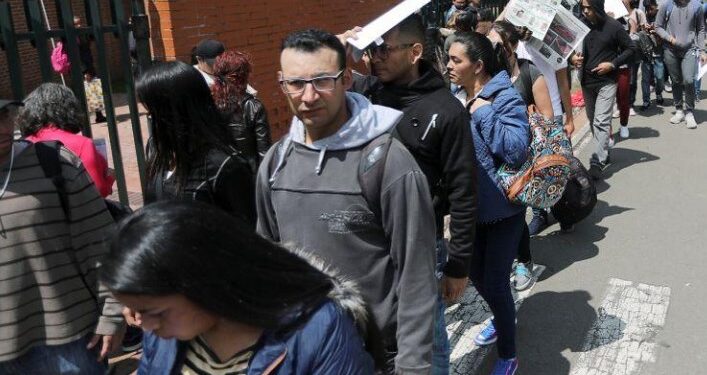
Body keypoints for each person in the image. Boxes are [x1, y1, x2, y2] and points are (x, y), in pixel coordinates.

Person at [256, 29, 437, 374]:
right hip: (300, 352)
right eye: (296, 83)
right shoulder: (276, 162)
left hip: (373, 356)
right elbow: (265, 263)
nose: (308, 96)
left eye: (322, 81)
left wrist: (413, 367)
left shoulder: (386, 162)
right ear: (281, 83)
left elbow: (416, 274)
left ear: (347, 79)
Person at [344, 14, 479, 374]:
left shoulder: (447, 110)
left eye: (384, 49)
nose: (374, 57)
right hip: (367, 244)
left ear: (415, 51)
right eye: (370, 49)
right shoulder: (365, 96)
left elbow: (464, 191)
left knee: (427, 339)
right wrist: (339, 52)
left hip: (422, 244)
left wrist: (458, 264)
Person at [102, 201, 375, 374]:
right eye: (137, 310)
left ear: (202, 282)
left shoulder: (317, 330)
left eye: (156, 312)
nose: (145, 326)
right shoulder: (164, 334)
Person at [0, 99, 123, 373]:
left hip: (65, 343)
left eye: (4, 116)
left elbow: (101, 244)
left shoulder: (54, 163)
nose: (2, 127)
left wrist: (112, 314)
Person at [448, 31, 530, 375]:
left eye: (456, 60)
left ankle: (508, 354)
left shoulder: (503, 95)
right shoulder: (452, 96)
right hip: (470, 211)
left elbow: (515, 149)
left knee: (494, 281)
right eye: (448, 59)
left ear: (477, 66)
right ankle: (502, 314)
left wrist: (483, 112)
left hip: (503, 210)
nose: (449, 65)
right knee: (478, 279)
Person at [137, 61, 256, 226]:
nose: (151, 121)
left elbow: (246, 235)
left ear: (174, 113)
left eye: (152, 113)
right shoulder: (157, 150)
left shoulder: (224, 166)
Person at [490, 21, 559, 292]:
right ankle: (514, 255)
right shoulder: (487, 75)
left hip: (524, 156)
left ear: (510, 46)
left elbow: (548, 117)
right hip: (496, 155)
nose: (490, 48)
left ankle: (524, 262)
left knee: (517, 210)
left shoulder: (529, 72)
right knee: (506, 213)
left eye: (496, 43)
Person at [570, 0, 635, 180]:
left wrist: (612, 64)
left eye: (589, 8)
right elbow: (568, 49)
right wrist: (572, 59)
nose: (585, 11)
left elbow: (631, 48)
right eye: (583, 8)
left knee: (600, 121)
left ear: (598, 6)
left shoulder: (614, 26)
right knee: (593, 120)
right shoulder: (581, 25)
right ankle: (604, 152)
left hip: (607, 82)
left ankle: (597, 161)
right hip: (586, 82)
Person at [18, 83, 114, 197]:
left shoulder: (24, 145)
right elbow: (98, 190)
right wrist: (110, 178)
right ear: (70, 109)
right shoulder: (83, 144)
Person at [211, 50, 272, 173]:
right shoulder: (254, 107)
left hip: (218, 174)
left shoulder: (208, 103)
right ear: (243, 77)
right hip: (248, 174)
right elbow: (264, 152)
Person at [655, 0, 706, 128]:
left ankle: (689, 112)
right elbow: (658, 26)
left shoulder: (697, 6)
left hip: (690, 49)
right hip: (670, 50)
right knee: (675, 80)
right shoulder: (667, 5)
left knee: (689, 80)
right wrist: (669, 38)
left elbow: (700, 29)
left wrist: (703, 50)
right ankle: (679, 109)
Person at [641, 0, 667, 110]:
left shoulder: (662, 16)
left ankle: (658, 93)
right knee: (645, 79)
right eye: (647, 9)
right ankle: (646, 101)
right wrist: (643, 28)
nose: (649, 11)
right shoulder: (642, 15)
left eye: (651, 8)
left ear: (656, 6)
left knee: (660, 77)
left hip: (658, 52)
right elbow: (637, 33)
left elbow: (666, 35)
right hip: (645, 53)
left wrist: (655, 31)